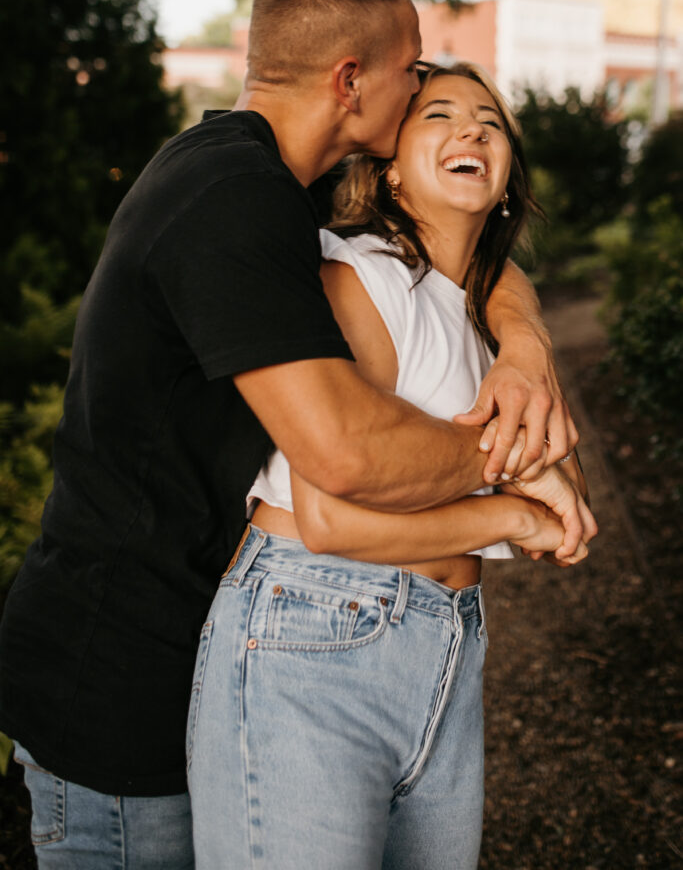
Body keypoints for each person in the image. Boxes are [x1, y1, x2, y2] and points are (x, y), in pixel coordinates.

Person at [1, 0, 578, 869]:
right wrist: (520, 469)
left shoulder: (271, 181)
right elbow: (345, 454)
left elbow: (468, 256)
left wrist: (524, 344)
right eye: (413, 69)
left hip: (210, 651)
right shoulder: (233, 199)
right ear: (352, 79)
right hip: (121, 686)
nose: (424, 80)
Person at [188, 61, 597, 869]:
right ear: (389, 174)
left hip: (444, 648)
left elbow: (568, 501)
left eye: (488, 120)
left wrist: (523, 341)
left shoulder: (493, 320)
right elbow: (331, 520)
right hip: (310, 626)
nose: (472, 129)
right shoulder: (361, 281)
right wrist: (510, 511)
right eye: (437, 115)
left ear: (507, 175)